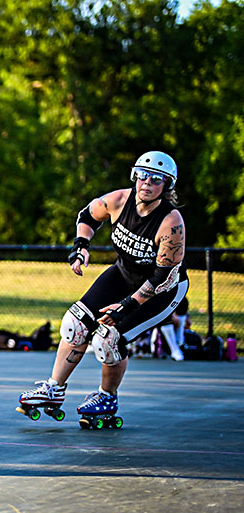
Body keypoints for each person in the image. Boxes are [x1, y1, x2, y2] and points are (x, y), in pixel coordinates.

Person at [17, 151, 188, 428]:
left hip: (162, 290)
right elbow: (88, 216)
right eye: (142, 175)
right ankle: (53, 388)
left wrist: (127, 306)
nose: (147, 183)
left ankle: (107, 397)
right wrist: (81, 246)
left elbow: (162, 277)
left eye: (156, 179)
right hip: (124, 273)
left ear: (167, 186)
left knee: (109, 338)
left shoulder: (170, 222)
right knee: (75, 324)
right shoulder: (120, 200)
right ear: (135, 176)